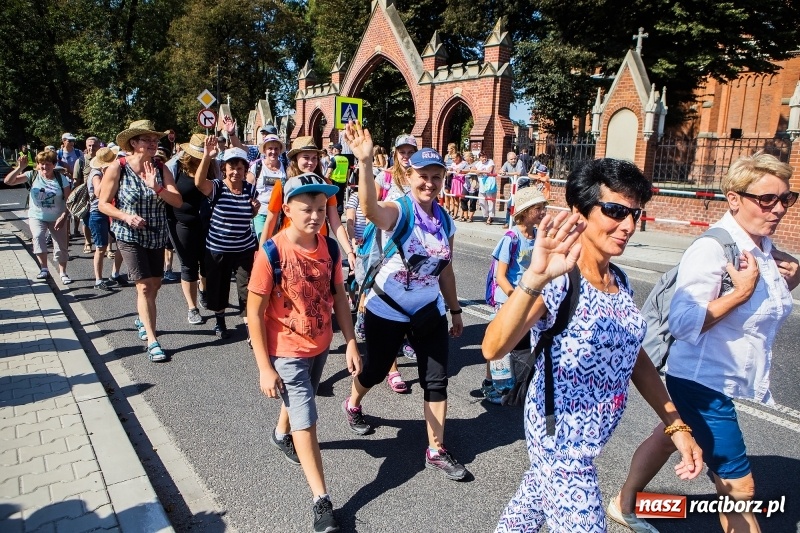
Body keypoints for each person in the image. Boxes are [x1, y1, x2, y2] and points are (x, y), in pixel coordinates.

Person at [483, 158, 703, 532]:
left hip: (590, 441)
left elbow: (635, 356)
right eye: (615, 211)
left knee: (525, 515)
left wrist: (675, 424)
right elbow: (493, 347)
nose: (629, 225)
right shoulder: (559, 278)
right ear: (578, 211)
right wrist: (535, 276)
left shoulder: (619, 279)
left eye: (635, 213)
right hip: (558, 440)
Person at [611, 153, 798, 533]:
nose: (777, 208)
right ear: (734, 199)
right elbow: (683, 322)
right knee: (739, 486)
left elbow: (766, 308)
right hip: (703, 382)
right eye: (766, 199)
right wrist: (739, 294)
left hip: (720, 377)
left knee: (668, 437)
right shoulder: (712, 250)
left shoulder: (761, 245)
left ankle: (623, 503)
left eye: (786, 199)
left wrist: (790, 277)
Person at [343, 121, 468, 480]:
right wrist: (365, 164)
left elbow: (445, 269)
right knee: (377, 369)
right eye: (423, 176)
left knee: (436, 379)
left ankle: (436, 449)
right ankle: (353, 403)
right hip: (388, 308)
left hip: (428, 310)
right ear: (410, 176)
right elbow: (370, 211)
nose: (429, 183)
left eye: (437, 177)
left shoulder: (445, 219)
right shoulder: (400, 210)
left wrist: (455, 310)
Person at [247, 173, 362, 533]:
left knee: (304, 397)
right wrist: (265, 367)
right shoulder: (271, 252)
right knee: (307, 416)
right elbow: (253, 311)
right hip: (286, 349)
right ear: (287, 209)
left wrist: (351, 340)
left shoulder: (329, 248)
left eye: (320, 208)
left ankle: (280, 435)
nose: (314, 215)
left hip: (321, 342)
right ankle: (321, 499)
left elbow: (340, 297)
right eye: (305, 208)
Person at [98, 120, 183, 362]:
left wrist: (156, 187)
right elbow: (103, 204)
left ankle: (143, 318)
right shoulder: (118, 168)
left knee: (154, 285)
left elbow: (177, 201)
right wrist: (125, 216)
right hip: (129, 235)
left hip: (156, 235)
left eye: (155, 140)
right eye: (147, 139)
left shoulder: (160, 167)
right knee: (144, 286)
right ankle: (153, 341)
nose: (153, 143)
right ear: (133, 143)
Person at [481, 187, 547, 403]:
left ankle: (515, 383)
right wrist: (514, 297)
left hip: (528, 298)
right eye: (538, 208)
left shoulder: (537, 236)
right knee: (501, 341)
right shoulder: (511, 238)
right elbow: (501, 276)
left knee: (525, 342)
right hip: (508, 299)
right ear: (525, 211)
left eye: (544, 207)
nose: (543, 212)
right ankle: (491, 383)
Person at [260, 136, 356, 270]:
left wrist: (349, 251)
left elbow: (335, 222)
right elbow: (270, 222)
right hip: (289, 250)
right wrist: (261, 255)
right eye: (306, 157)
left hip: (319, 250)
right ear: (295, 159)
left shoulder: (325, 184)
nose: (311, 162)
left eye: (314, 158)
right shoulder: (282, 185)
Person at [195, 140, 259, 340]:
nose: (236, 172)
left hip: (244, 249)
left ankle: (251, 330)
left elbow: (249, 216)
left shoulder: (250, 190)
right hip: (218, 248)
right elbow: (198, 182)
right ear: (224, 169)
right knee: (219, 287)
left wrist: (255, 210)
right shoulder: (216, 187)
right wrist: (207, 156)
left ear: (245, 169)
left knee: (247, 288)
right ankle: (220, 320)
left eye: (240, 168)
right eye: (231, 167)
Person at [165, 133, 218, 323]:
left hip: (208, 223)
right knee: (188, 266)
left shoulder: (213, 166)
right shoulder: (175, 167)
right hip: (182, 224)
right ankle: (192, 308)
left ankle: (203, 293)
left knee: (206, 264)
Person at [4, 150, 72, 283]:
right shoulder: (32, 175)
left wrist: (63, 216)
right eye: (41, 164)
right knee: (38, 237)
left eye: (47, 164)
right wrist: (20, 168)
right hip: (37, 216)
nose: (44, 167)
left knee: (61, 245)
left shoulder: (61, 179)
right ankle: (44, 268)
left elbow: (69, 201)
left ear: (53, 164)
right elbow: (8, 181)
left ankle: (63, 273)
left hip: (57, 217)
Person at [87, 148, 125, 291]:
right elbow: (97, 193)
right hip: (98, 212)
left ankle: (115, 273)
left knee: (121, 243)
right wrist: (105, 174)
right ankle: (98, 280)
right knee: (101, 247)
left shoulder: (116, 169)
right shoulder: (96, 173)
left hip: (113, 210)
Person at [246, 133, 286, 241]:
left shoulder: (285, 167)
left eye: (276, 149)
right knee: (263, 244)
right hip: (261, 213)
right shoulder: (257, 166)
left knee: (276, 246)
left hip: (279, 215)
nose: (273, 152)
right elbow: (247, 189)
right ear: (264, 150)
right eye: (270, 148)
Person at [76, 136, 99, 253]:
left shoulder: (103, 159)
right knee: (86, 220)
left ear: (99, 146)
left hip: (100, 195)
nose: (91, 148)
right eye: (89, 145)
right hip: (86, 196)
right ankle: (88, 242)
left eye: (94, 145)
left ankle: (102, 244)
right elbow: (76, 180)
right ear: (86, 146)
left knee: (102, 220)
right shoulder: (81, 161)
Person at [499, 151, 527, 229]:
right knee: (510, 204)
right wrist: (502, 172)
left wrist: (507, 173)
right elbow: (500, 171)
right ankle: (507, 222)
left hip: (523, 185)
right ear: (508, 160)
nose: (514, 160)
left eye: (515, 158)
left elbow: (519, 173)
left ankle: (522, 222)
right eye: (511, 159)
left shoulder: (520, 162)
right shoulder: (506, 163)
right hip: (515, 185)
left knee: (521, 204)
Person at [325, 143, 350, 214]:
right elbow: (348, 172)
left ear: (335, 150)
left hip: (334, 182)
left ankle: (331, 215)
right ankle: (339, 215)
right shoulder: (346, 159)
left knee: (332, 200)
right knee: (340, 199)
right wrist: (346, 182)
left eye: (333, 149)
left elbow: (329, 172)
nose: (332, 150)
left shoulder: (334, 159)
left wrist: (324, 181)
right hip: (342, 182)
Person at [476, 152, 496, 224]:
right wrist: (476, 171)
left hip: (489, 185)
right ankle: (486, 215)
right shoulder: (478, 163)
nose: (484, 158)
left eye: (485, 156)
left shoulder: (490, 161)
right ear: (479, 158)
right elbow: (473, 170)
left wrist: (480, 171)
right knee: (482, 201)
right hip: (481, 185)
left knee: (490, 201)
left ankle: (490, 217)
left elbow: (489, 170)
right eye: (482, 157)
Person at [447, 152, 467, 220]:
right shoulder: (453, 164)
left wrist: (457, 170)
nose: (453, 160)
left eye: (454, 158)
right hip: (454, 181)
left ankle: (462, 215)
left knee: (462, 199)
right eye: (452, 158)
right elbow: (450, 172)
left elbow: (463, 171)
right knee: (455, 199)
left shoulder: (464, 163)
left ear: (458, 157)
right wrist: (449, 171)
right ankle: (455, 214)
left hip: (461, 182)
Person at [461, 152, 479, 222]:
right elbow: (460, 169)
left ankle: (470, 217)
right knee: (463, 199)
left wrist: (467, 171)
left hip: (473, 183)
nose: (464, 158)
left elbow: (473, 170)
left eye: (465, 157)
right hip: (466, 183)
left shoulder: (476, 163)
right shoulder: (465, 163)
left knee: (472, 201)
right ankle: (465, 216)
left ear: (470, 157)